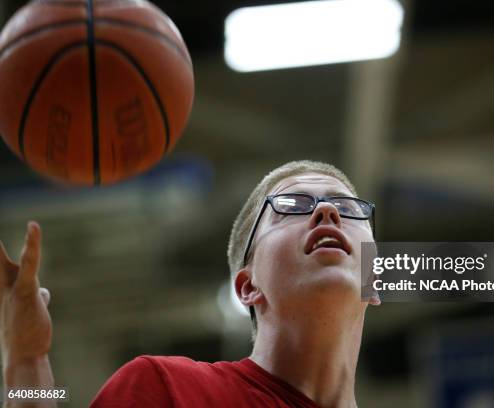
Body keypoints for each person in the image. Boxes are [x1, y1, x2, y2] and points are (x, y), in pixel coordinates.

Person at [0, 160, 379, 408]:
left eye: (348, 209)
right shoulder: (167, 389)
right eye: (292, 206)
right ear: (248, 286)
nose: (327, 212)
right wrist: (25, 361)